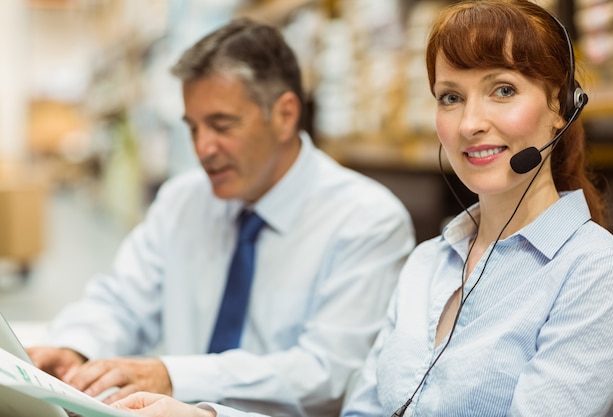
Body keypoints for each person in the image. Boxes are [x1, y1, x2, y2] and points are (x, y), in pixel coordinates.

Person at [110, 1, 613, 416]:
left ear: (561, 108)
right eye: (450, 97)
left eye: (503, 91)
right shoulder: (428, 264)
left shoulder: (596, 274)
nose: (470, 123)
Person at [27, 18, 415, 417]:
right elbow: (122, 299)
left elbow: (329, 371)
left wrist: (174, 376)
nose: (203, 147)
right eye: (193, 128)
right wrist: (73, 346)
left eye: (221, 125)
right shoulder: (183, 200)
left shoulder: (366, 220)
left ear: (284, 115)